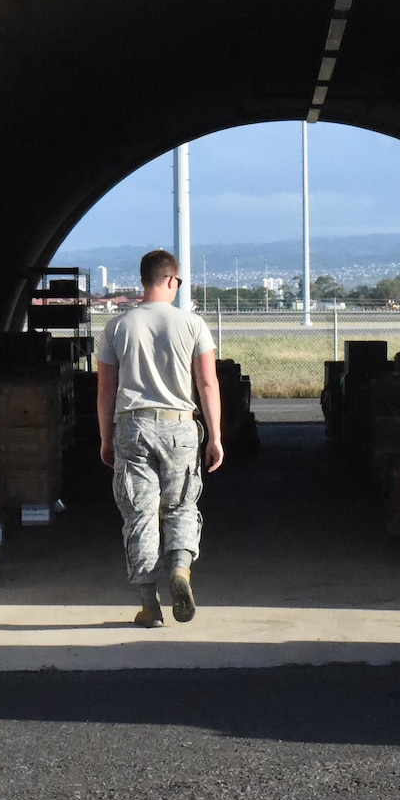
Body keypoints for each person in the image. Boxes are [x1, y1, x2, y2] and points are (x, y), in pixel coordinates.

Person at [97, 250, 224, 627]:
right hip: (180, 426)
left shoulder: (116, 327)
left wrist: (106, 439)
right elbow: (207, 383)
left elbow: (106, 390)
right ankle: (181, 571)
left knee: (140, 514)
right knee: (182, 506)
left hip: (132, 427)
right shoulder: (194, 325)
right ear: (172, 281)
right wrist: (215, 437)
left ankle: (149, 604)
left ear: (143, 281)